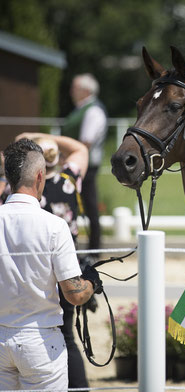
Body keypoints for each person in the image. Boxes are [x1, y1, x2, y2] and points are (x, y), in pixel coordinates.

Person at [0, 138, 103, 390]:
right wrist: (92, 281)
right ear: (39, 177)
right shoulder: (55, 226)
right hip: (40, 341)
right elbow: (75, 294)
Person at [63, 73, 108, 256]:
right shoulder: (83, 109)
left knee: (89, 205)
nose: (71, 91)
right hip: (77, 163)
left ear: (86, 90)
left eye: (75, 87)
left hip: (85, 165)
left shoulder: (93, 111)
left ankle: (94, 248)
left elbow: (85, 142)